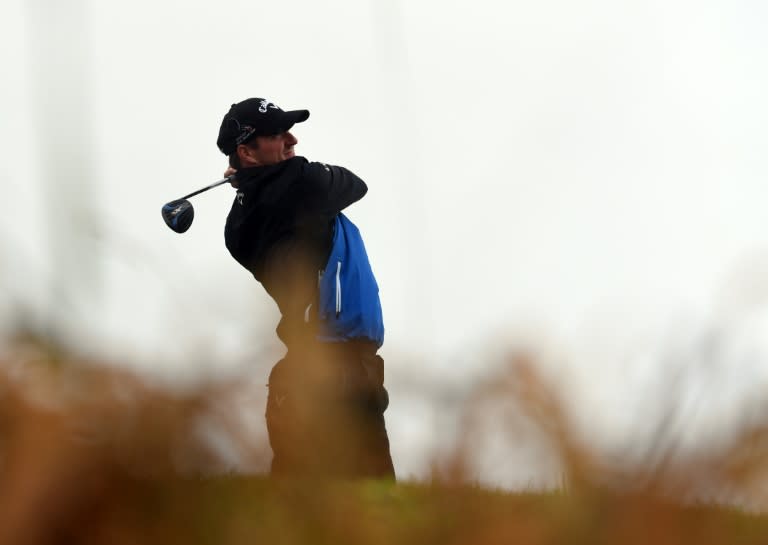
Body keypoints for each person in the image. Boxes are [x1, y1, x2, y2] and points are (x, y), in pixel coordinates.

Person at [216, 97, 395, 479]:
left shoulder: (241, 221)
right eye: (276, 134)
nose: (291, 139)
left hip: (310, 365)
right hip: (334, 368)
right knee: (373, 506)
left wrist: (251, 180)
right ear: (246, 151)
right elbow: (353, 184)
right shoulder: (300, 185)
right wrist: (266, 177)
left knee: (304, 507)